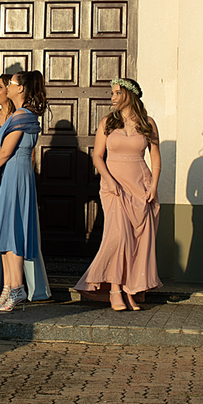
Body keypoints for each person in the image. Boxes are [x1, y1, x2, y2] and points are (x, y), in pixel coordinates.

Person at [75, 77, 162, 311]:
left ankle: (129, 289)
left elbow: (155, 158)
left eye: (116, 93)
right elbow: (97, 157)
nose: (112, 97)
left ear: (129, 95)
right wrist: (109, 180)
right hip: (113, 187)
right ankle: (114, 288)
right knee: (119, 237)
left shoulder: (148, 123)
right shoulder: (107, 122)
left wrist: (153, 186)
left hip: (140, 185)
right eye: (112, 93)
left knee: (136, 241)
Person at [0, 70, 48, 312]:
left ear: (21, 89)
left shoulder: (23, 114)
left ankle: (18, 287)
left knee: (12, 231)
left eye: (14, 83)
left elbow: (6, 150)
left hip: (14, 173)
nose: (9, 86)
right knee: (3, 232)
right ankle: (8, 286)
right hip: (8, 173)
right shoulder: (18, 114)